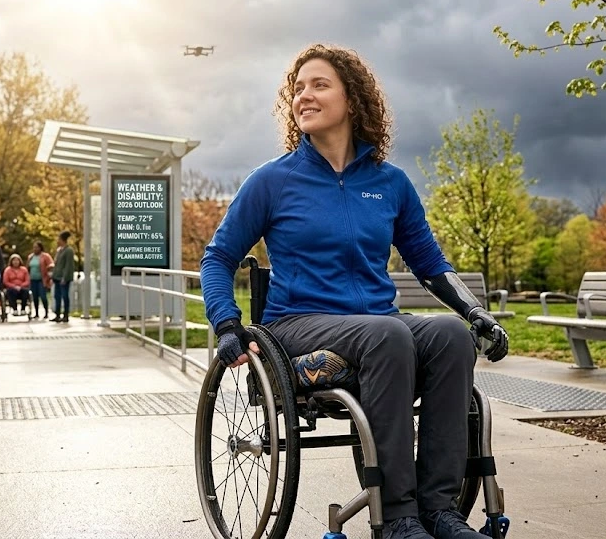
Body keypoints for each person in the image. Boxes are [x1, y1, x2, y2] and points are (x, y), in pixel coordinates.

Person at [199, 44, 509, 539]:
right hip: (298, 325)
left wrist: (475, 314)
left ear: (354, 99)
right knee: (387, 335)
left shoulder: (390, 184)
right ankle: (398, 518)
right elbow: (217, 258)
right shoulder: (273, 181)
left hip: (378, 327)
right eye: (297, 88)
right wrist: (227, 323)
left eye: (319, 85)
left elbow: (430, 265)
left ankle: (440, 510)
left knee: (450, 336)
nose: (304, 96)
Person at [51, 231, 75, 323]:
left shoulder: (69, 250)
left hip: (63, 278)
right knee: (57, 296)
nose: (58, 241)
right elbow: (57, 264)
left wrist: (65, 277)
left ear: (63, 240)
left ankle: (65, 315)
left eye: (59, 239)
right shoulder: (59, 250)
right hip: (57, 277)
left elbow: (68, 265)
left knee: (65, 296)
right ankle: (57, 314)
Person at [27, 241, 55, 319]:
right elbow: (28, 268)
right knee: (35, 297)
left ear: (40, 248)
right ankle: (36, 313)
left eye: (37, 247)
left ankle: (46, 312)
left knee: (43, 296)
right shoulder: (31, 257)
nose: (35, 249)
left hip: (42, 279)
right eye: (34, 247)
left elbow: (51, 265)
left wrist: (49, 276)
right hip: (33, 279)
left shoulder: (45, 256)